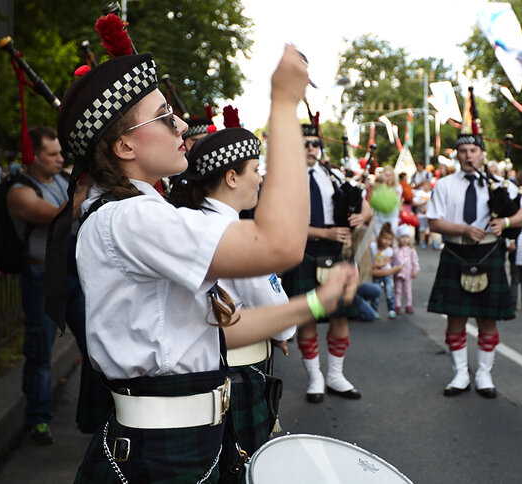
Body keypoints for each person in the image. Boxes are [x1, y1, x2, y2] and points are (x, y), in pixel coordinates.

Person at [54, 49, 358, 483]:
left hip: (185, 441)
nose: (180, 125)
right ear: (124, 146)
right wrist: (284, 104)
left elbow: (214, 332)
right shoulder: (132, 219)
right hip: (161, 454)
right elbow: (280, 244)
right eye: (163, 117)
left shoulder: (136, 213)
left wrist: (312, 304)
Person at [168, 127, 306, 454]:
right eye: (255, 170)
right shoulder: (237, 232)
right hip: (240, 373)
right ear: (232, 177)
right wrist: (283, 331)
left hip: (202, 369)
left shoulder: (186, 221)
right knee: (241, 462)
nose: (260, 178)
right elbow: (279, 314)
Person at [6, 126, 104, 444]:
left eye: (62, 153)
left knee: (95, 345)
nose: (61, 158)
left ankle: (97, 413)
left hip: (71, 276)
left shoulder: (62, 179)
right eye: (53, 153)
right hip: (41, 281)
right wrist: (83, 191)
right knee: (40, 353)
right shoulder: (20, 191)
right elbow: (57, 217)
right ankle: (39, 420)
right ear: (33, 156)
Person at [427, 128, 522, 399]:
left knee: (488, 319)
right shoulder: (445, 185)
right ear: (457, 156)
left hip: (488, 254)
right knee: (456, 319)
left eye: (473, 151)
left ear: (482, 154)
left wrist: (506, 222)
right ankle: (460, 373)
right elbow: (434, 222)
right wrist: (463, 229)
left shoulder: (500, 184)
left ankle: (484, 373)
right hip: (456, 251)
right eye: (463, 151)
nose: (468, 156)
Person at [283, 116, 371, 405]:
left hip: (332, 255)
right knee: (308, 316)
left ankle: (335, 375)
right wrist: (326, 232)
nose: (311, 149)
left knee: (339, 316)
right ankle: (315, 378)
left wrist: (362, 215)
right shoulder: (283, 178)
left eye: (315, 144)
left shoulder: (330, 175)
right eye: (305, 144)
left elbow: (363, 204)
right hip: (302, 252)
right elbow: (281, 223)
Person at [370, 223, 399, 318]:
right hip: (376, 274)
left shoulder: (389, 250)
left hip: (386, 273)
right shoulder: (373, 246)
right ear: (380, 237)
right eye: (385, 239)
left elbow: (385, 263)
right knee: (375, 292)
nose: (387, 242)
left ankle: (391, 309)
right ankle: (374, 310)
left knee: (389, 290)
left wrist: (375, 265)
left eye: (390, 240)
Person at [393, 224, 420, 315]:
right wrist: (391, 270)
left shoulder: (411, 250)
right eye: (402, 237)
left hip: (408, 273)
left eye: (407, 237)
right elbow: (392, 260)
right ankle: (397, 305)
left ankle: (408, 305)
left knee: (408, 290)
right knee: (398, 289)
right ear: (398, 238)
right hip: (398, 273)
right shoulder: (396, 249)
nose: (405, 239)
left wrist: (415, 270)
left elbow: (415, 261)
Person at [413, 179, 433, 248]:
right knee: (422, 229)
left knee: (431, 229)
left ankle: (434, 242)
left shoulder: (432, 193)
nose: (426, 187)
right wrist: (422, 203)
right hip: (421, 214)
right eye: (424, 185)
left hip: (430, 215)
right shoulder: (419, 193)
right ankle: (422, 242)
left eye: (427, 185)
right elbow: (414, 203)